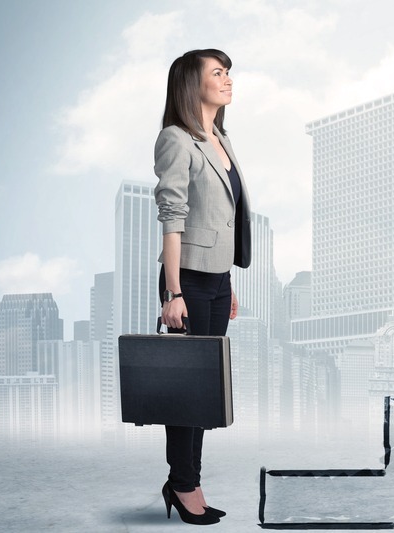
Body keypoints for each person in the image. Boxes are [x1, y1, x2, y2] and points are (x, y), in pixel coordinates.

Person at [154, 48, 251, 526]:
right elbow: (173, 218)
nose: (228, 79)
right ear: (193, 84)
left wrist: (226, 280)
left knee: (205, 391)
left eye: (228, 72)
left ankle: (189, 481)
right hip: (187, 280)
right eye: (217, 72)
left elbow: (223, 218)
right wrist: (173, 293)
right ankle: (183, 484)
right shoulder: (176, 139)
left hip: (215, 279)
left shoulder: (222, 138)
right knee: (186, 392)